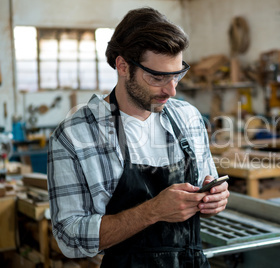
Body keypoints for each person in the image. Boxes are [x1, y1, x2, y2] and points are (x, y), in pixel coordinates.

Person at [47, 7, 229, 267]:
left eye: (177, 75)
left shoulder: (188, 118)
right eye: (157, 77)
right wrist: (153, 211)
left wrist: (215, 199)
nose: (172, 90)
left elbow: (205, 189)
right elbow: (70, 239)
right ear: (123, 66)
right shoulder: (75, 136)